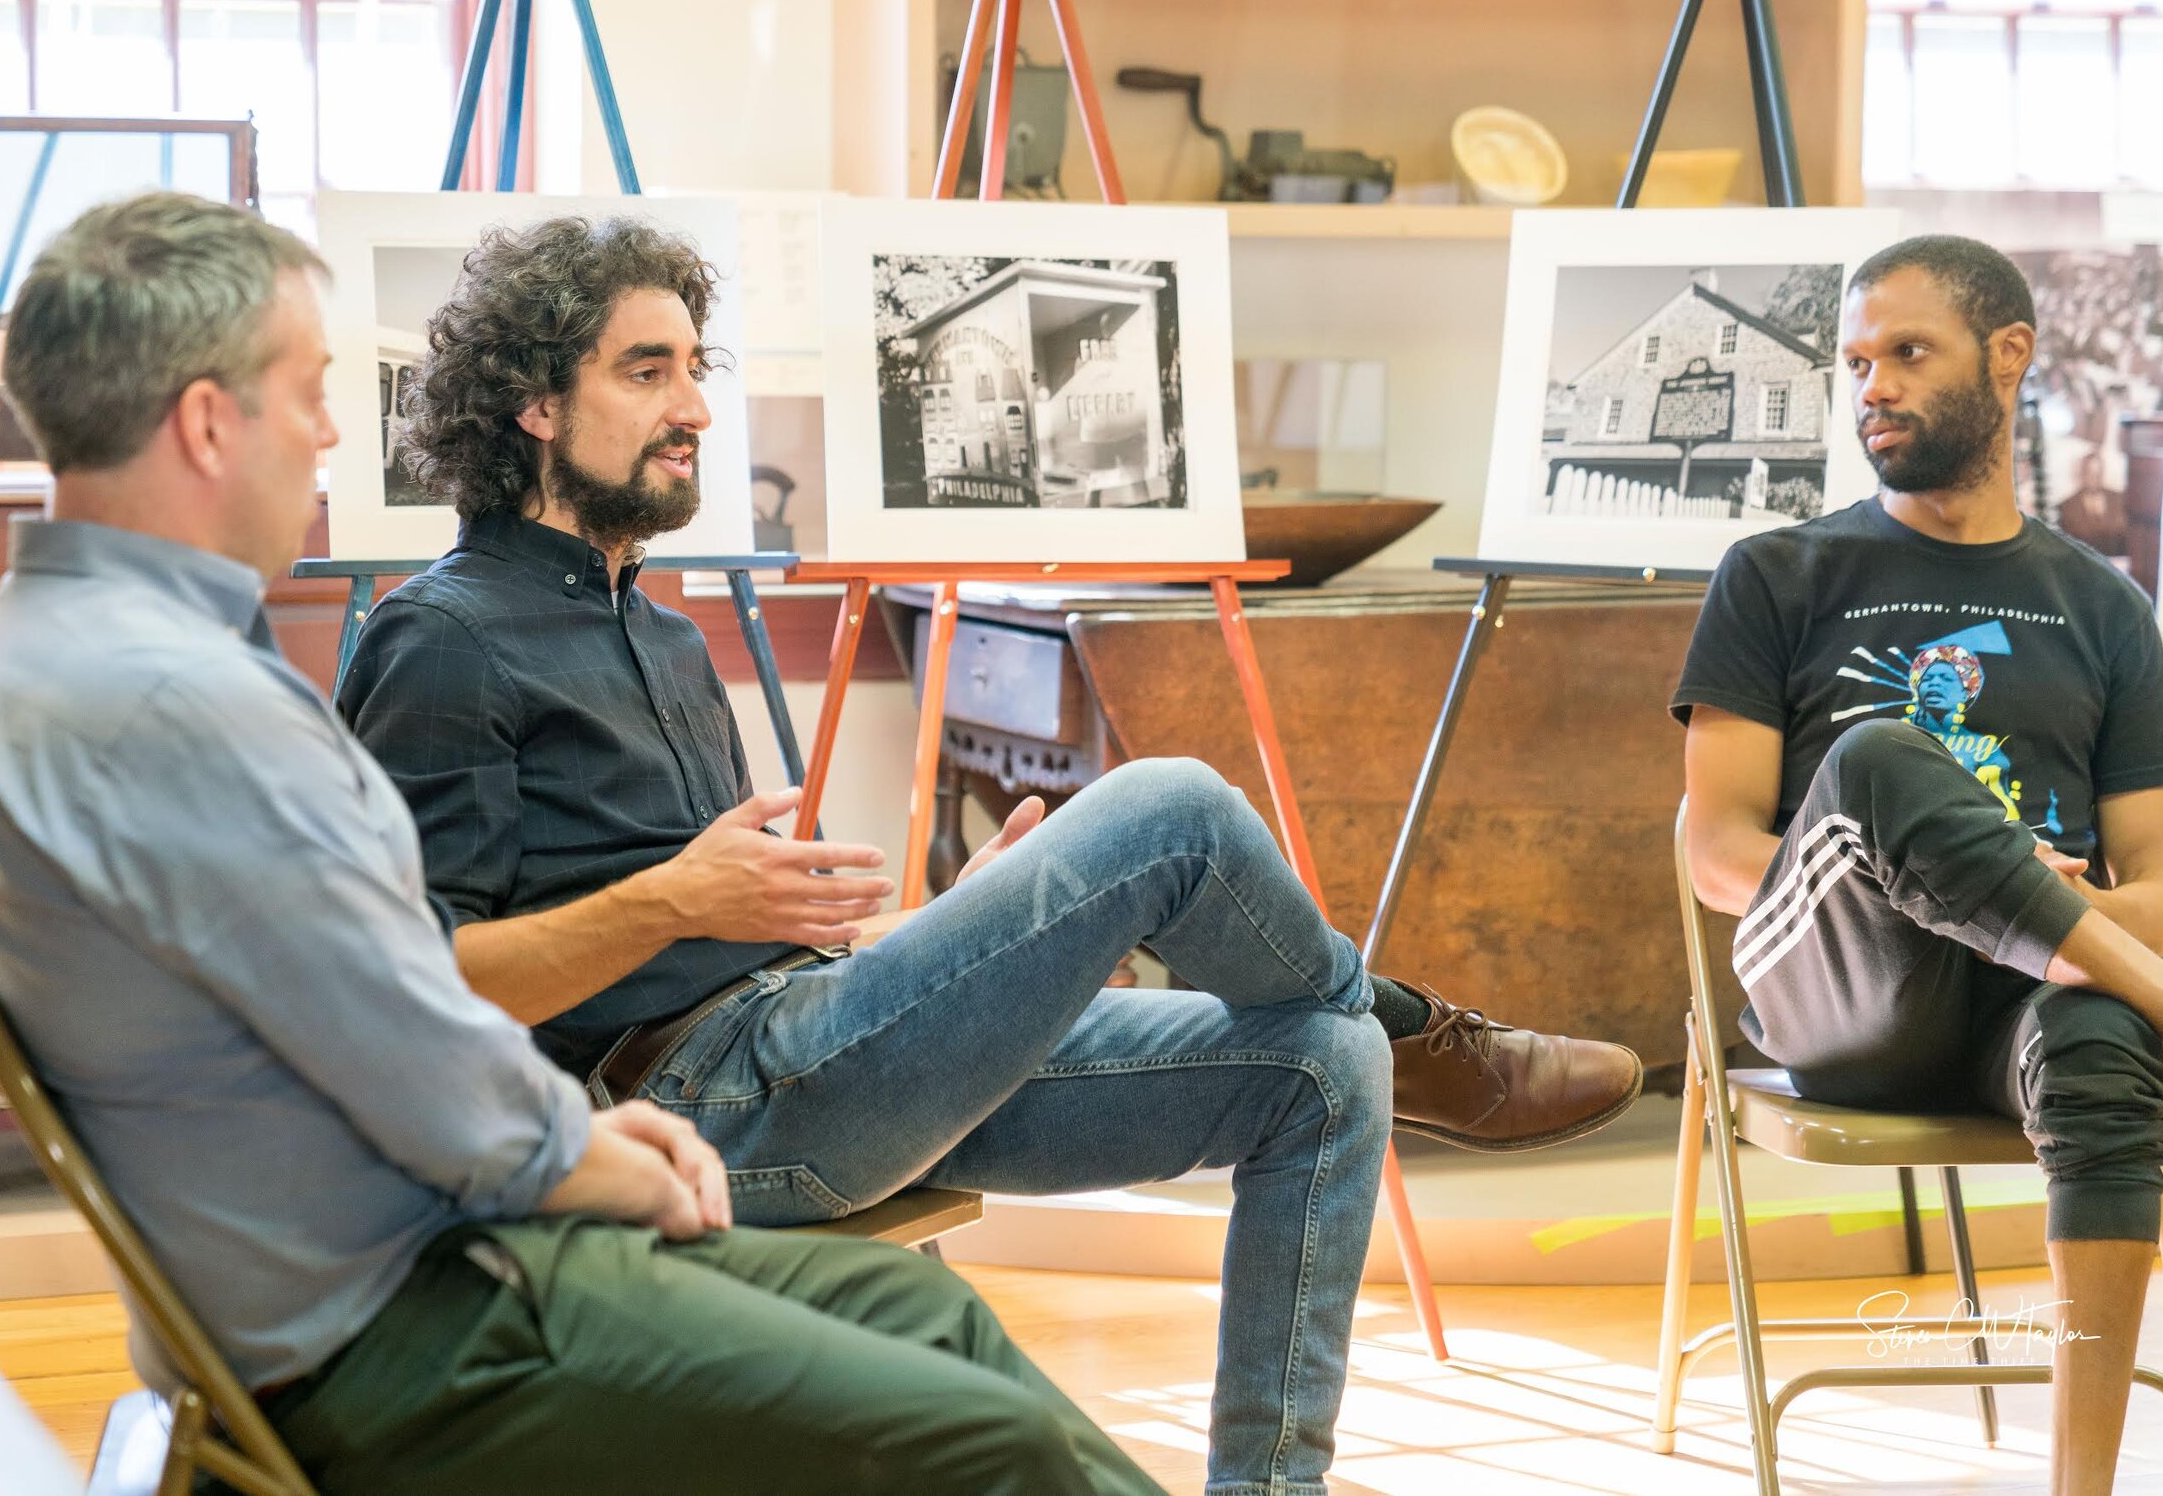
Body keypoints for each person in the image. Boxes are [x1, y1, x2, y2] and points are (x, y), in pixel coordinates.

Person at [336, 214, 1647, 1496]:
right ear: (534, 409)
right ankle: (1427, 1031)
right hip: (688, 1113)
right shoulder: (438, 639)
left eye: (695, 367)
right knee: (1172, 806)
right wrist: (680, 893)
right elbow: (421, 987)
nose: (694, 407)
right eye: (647, 369)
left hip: (804, 1040)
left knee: (1321, 1060)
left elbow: (727, 932)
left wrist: (939, 929)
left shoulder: (666, 637)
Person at [0, 192, 1163, 1496]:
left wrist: (577, 1136)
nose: (334, 429)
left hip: (411, 1258)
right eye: (308, 390)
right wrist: (579, 1152)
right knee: (987, 1437)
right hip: (411, 1324)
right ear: (206, 421)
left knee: (937, 1318)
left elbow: (357, 996)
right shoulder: (171, 701)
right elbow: (396, 1017)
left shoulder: (50, 653)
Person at [1675, 233, 2163, 1496]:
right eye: (1858, 361)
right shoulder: (1777, 575)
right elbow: (1718, 853)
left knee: (2100, 1045)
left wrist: (2043, 902)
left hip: (2025, 1000)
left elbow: (2157, 887)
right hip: (1844, 985)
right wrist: (1922, 857)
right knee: (1879, 757)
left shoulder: (2101, 605)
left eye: (1908, 353)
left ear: (2008, 356)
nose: (1873, 385)